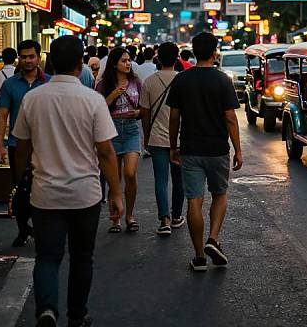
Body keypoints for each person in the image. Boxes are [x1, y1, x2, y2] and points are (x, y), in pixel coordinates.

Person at [13, 35, 123, 327]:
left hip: (45, 193)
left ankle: (47, 310)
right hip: (85, 194)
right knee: (82, 257)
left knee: (47, 257)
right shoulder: (93, 100)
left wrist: (20, 180)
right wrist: (116, 193)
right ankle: (77, 314)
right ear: (80, 64)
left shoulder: (32, 99)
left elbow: (21, 147)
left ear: (49, 62)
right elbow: (106, 151)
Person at [167, 32, 243, 271]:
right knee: (220, 194)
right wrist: (238, 150)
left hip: (190, 149)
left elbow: (174, 117)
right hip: (217, 149)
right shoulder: (223, 80)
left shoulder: (182, 79)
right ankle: (213, 239)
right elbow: (230, 118)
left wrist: (173, 146)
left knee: (194, 200)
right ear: (214, 53)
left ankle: (199, 256)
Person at [0, 40, 49, 247]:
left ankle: (40, 230)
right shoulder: (10, 84)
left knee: (42, 190)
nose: (27, 60)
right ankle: (23, 229)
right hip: (17, 145)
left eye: (31, 56)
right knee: (20, 190)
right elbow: (2, 115)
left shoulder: (49, 83)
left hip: (44, 147)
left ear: (38, 57)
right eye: (24, 56)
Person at [96, 47, 141, 233]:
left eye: (129, 60)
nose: (128, 63)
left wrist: (138, 112)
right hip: (111, 131)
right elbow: (96, 111)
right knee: (114, 178)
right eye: (123, 60)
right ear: (114, 63)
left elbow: (144, 108)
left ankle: (130, 215)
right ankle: (116, 219)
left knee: (130, 173)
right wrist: (112, 96)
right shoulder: (103, 84)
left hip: (131, 130)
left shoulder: (136, 82)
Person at [141, 43, 184, 236]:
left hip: (157, 138)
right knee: (179, 180)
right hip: (180, 140)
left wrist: (147, 136)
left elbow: (145, 113)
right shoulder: (184, 80)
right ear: (177, 58)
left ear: (158, 58)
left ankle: (164, 219)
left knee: (161, 180)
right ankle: (176, 217)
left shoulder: (149, 81)